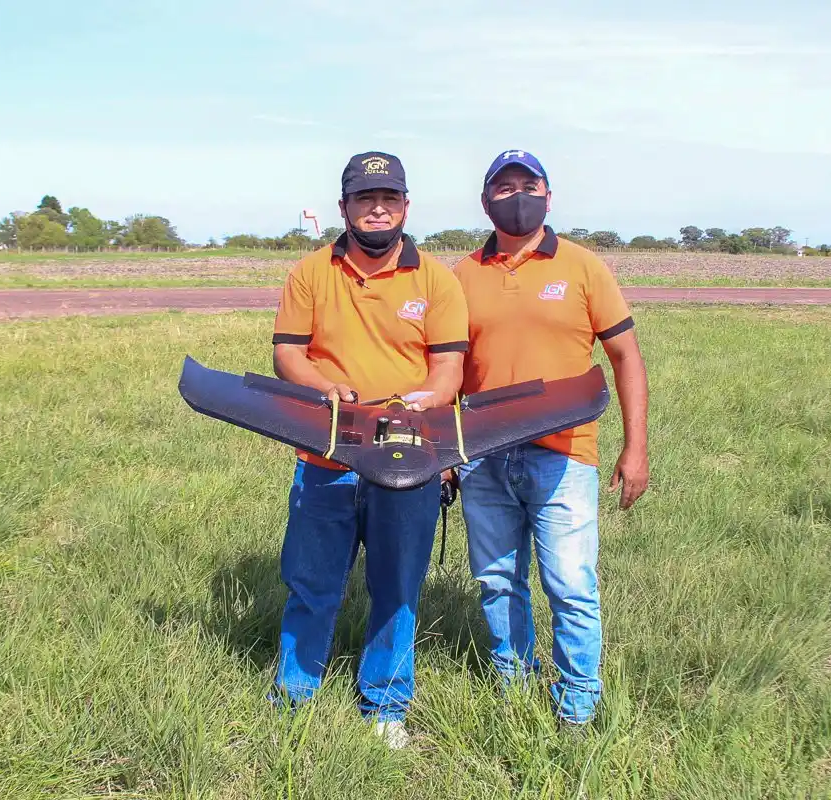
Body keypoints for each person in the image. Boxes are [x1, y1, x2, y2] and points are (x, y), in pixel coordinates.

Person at [268, 151, 469, 748]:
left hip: (406, 461)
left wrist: (426, 400)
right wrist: (324, 387)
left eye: (388, 198)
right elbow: (287, 354)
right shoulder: (310, 273)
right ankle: (294, 697)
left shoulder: (436, 279)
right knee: (311, 582)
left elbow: (449, 368)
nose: (377, 209)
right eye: (364, 198)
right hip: (325, 455)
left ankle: (385, 704)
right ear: (344, 206)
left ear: (406, 206)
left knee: (397, 586)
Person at [451, 149, 649, 727]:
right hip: (482, 453)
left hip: (564, 453)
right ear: (485, 201)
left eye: (528, 185)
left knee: (570, 583)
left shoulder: (584, 268)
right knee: (496, 580)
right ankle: (513, 684)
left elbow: (625, 356)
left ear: (548, 195)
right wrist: (444, 451)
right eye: (504, 187)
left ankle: (578, 701)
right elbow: (448, 367)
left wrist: (635, 447)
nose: (517, 197)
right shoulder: (462, 275)